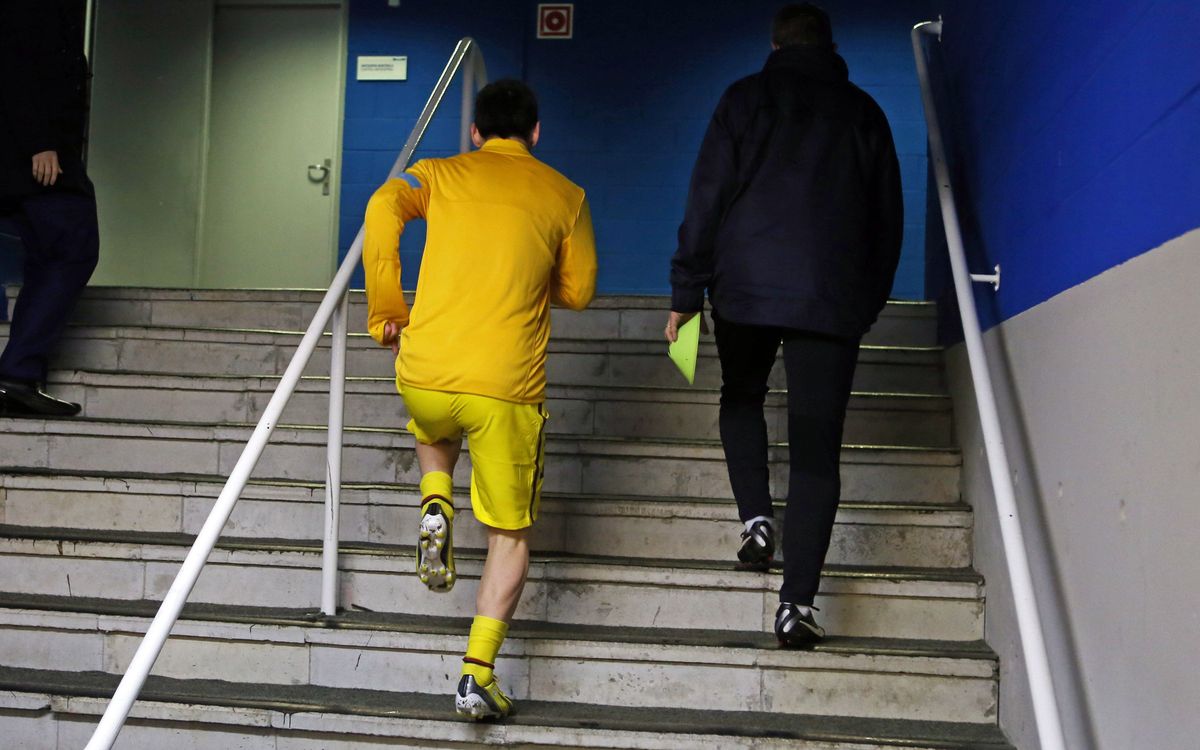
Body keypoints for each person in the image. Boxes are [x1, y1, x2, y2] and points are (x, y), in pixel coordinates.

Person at [666, 3, 903, 647]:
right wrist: (864, 303)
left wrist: (686, 292)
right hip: (830, 299)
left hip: (743, 290)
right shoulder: (865, 112)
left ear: (774, 45)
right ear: (832, 46)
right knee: (816, 450)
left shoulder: (743, 99)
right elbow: (888, 221)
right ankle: (796, 603)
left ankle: (756, 519)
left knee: (741, 397)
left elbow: (707, 197)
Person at [363, 79, 597, 719]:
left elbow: (382, 204)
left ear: (475, 132)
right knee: (509, 536)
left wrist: (388, 310)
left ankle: (436, 497)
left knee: (433, 416)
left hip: (425, 372)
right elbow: (580, 292)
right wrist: (531, 270)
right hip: (504, 387)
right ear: (536, 132)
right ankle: (476, 675)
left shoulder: (436, 173)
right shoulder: (566, 195)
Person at [0, 0, 99, 417]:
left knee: (49, 256)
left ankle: (18, 377)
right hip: (31, 157)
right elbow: (15, 67)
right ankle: (17, 375)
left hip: (27, 154)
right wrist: (41, 141)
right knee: (72, 246)